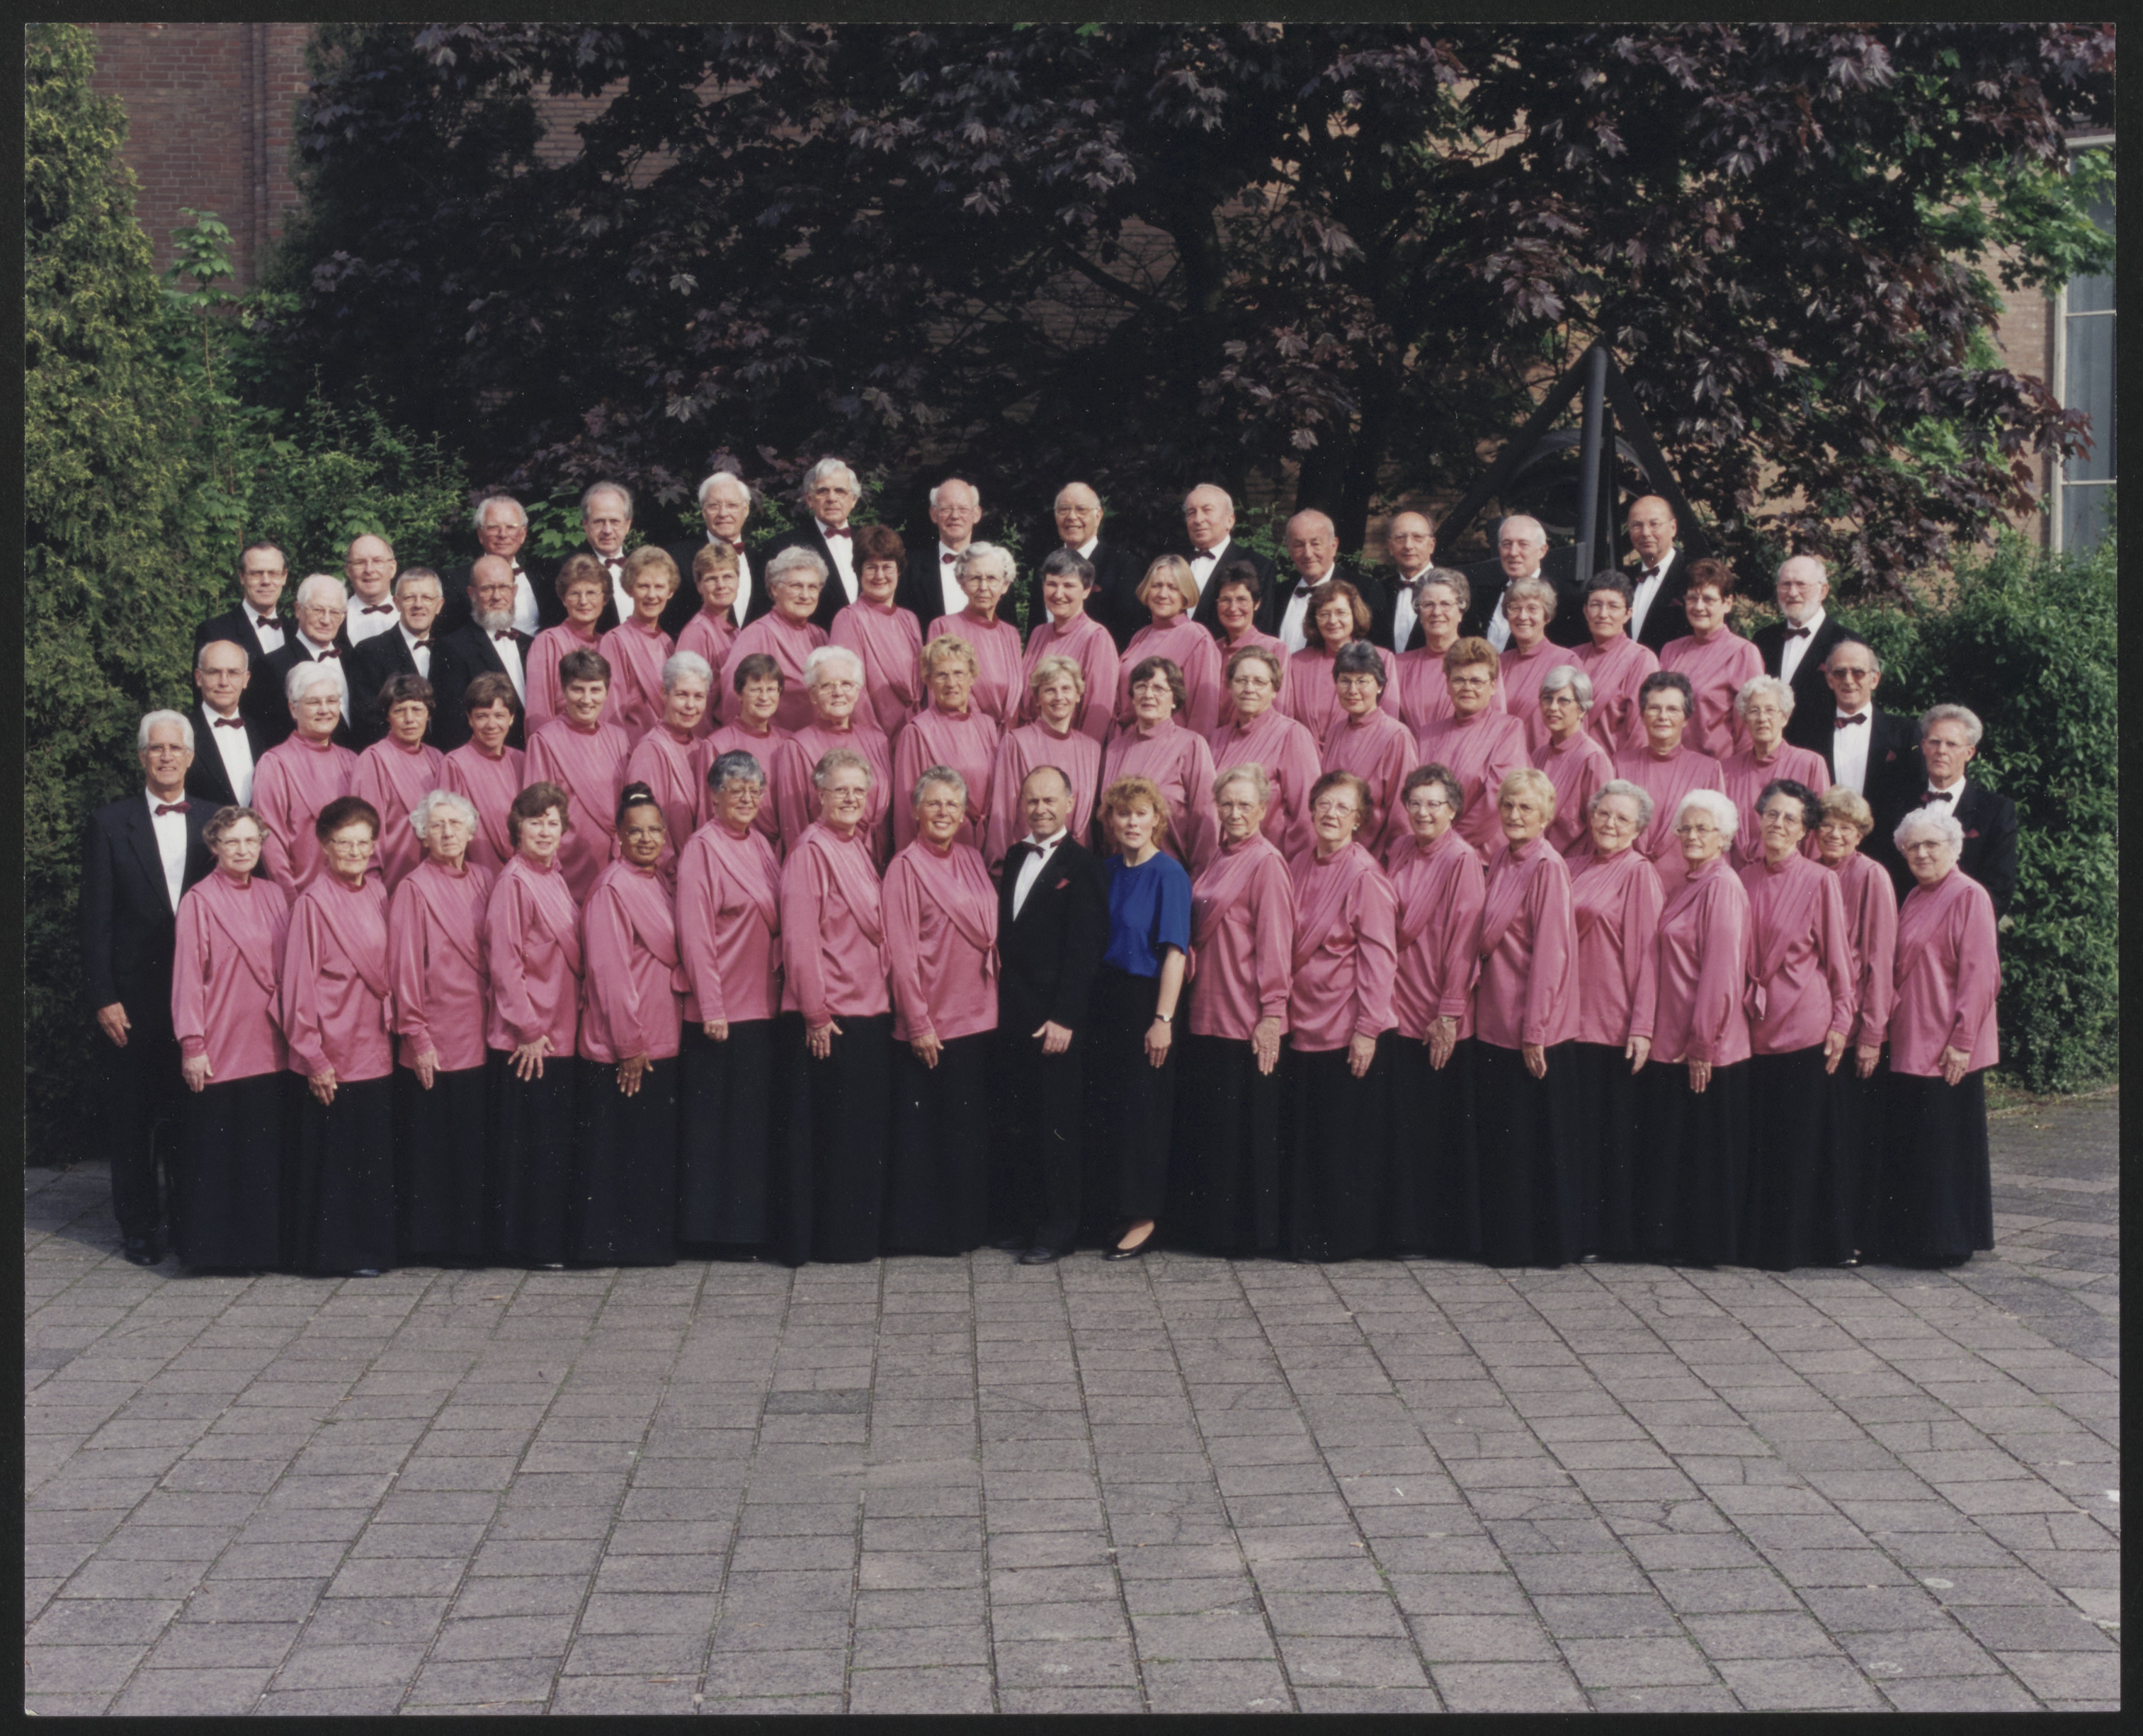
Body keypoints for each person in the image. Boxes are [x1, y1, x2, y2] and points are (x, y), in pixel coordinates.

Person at [84, 711, 215, 1264]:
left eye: (174, 748)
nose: (165, 756)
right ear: (141, 757)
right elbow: (94, 920)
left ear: (190, 756)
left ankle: (188, 1222)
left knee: (191, 1112)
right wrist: (103, 995)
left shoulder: (214, 819)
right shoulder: (110, 823)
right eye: (155, 748)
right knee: (134, 1116)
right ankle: (137, 1227)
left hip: (200, 996)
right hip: (133, 998)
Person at [773, 750, 894, 1266]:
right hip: (834, 1014)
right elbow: (800, 940)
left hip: (868, 1007)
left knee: (857, 1135)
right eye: (840, 789)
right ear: (818, 794)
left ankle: (855, 1238)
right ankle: (833, 1241)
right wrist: (816, 1014)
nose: (850, 798)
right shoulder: (810, 851)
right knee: (835, 1135)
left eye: (858, 790)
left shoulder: (857, 845)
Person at [1275, 769, 1399, 1261]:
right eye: (1324, 803)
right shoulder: (1297, 863)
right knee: (1310, 1137)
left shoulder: (1366, 876)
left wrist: (1367, 1029)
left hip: (1346, 1023)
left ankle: (1340, 1239)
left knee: (1341, 1141)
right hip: (1302, 1018)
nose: (1331, 814)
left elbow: (1379, 959)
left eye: (1343, 807)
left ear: (1359, 820)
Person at [1172, 766, 1295, 1256]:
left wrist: (1272, 1014)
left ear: (1264, 809)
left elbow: (1276, 944)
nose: (1235, 813)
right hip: (1206, 1007)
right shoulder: (1216, 857)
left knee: (1242, 1130)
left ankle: (1244, 1236)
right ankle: (1210, 1230)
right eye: (1227, 804)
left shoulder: (1267, 863)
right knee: (1214, 1129)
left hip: (1244, 1014)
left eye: (1245, 804)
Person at [882, 767, 1001, 1256]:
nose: (944, 812)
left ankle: (970, 1229)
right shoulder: (904, 867)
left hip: (982, 1015)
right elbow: (901, 953)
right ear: (915, 810)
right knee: (933, 1135)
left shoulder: (971, 857)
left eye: (953, 804)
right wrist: (917, 1022)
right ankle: (933, 1235)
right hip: (935, 1020)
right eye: (934, 803)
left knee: (969, 1133)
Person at [1739, 778, 1858, 1271]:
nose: (1779, 824)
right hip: (1752, 1026)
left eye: (1791, 818)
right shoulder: (1742, 877)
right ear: (1759, 818)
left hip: (1805, 1024)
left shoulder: (1819, 880)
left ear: (1805, 830)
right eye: (1772, 814)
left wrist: (1842, 1022)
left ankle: (1799, 1246)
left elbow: (1839, 959)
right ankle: (1760, 1243)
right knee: (1761, 1140)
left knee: (1801, 1141)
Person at [992, 766, 1110, 1262]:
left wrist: (1065, 1017)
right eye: (1032, 801)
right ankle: (1028, 1221)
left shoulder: (1084, 866)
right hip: (1014, 1014)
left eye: (1049, 800)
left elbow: (1085, 951)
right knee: (1021, 1119)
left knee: (1056, 1127)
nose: (1040, 809)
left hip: (1055, 1020)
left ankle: (1059, 1230)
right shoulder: (1015, 856)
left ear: (1070, 803)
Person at [1875, 808, 2000, 1267]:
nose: (1922, 853)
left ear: (1954, 848)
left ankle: (1945, 1242)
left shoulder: (1969, 895)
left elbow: (1981, 975)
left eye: (1932, 844)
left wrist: (1963, 1041)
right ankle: (1914, 1239)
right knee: (1918, 1143)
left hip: (1948, 1041)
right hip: (1912, 1036)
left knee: (1945, 1145)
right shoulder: (1913, 895)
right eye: (1913, 846)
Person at [170, 805, 290, 1271]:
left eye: (251, 840)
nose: (243, 849)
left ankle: (263, 1252)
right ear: (214, 847)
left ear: (262, 846)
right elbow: (187, 978)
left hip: (272, 1040)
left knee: (263, 1153)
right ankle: (213, 1254)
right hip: (221, 1043)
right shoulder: (199, 900)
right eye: (232, 841)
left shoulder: (276, 894)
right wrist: (192, 1045)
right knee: (219, 1155)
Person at [281, 795, 397, 1277]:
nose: (355, 852)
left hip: (374, 1041)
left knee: (370, 1154)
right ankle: (333, 1255)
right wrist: (313, 1055)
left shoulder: (378, 891)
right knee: (335, 1158)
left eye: (363, 843)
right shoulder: (312, 902)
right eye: (344, 843)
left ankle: (371, 1251)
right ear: (325, 846)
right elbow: (298, 985)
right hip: (332, 1043)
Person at [1639, 788, 1753, 1267]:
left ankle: (1705, 1246)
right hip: (1674, 1037)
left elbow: (1722, 971)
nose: (1691, 835)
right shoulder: (1689, 882)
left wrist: (1704, 1040)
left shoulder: (1722, 886)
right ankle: (1678, 1242)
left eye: (1703, 828)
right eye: (1685, 827)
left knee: (1704, 1149)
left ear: (1724, 837)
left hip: (1707, 1044)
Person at [675, 751, 784, 1253]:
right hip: (721, 1010)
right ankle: (708, 1233)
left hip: (761, 1003)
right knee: (713, 1126)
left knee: (749, 1124)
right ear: (714, 796)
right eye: (735, 788)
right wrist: (711, 1006)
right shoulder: (702, 848)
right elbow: (696, 934)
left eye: (754, 789)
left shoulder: (761, 843)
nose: (746, 797)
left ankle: (745, 1229)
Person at [1471, 768, 1581, 1265]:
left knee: (1533, 1140)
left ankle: (1537, 1246)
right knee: (1506, 1138)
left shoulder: (1547, 866)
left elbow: (1552, 954)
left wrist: (1535, 1029)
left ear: (1547, 816)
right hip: (1494, 1015)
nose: (1515, 815)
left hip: (1529, 1021)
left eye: (1527, 808)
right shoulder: (1501, 856)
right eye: (1509, 805)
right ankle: (1506, 1242)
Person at [574, 783, 683, 1267]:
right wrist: (629, 1044)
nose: (646, 839)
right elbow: (609, 972)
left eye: (655, 830)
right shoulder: (612, 887)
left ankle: (644, 1244)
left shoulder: (658, 881)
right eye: (635, 831)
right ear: (617, 836)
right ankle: (611, 1246)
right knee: (618, 1149)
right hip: (625, 1043)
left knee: (646, 1149)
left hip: (661, 1036)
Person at [1085, 776, 1193, 1261]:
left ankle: (1145, 1217)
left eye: (1141, 813)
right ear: (1110, 821)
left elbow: (1175, 953)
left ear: (1157, 820)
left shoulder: (1169, 874)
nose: (1132, 822)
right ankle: (1117, 1208)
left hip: (1147, 1000)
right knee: (1111, 1107)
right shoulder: (1105, 870)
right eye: (1123, 813)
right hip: (1105, 999)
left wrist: (1163, 1018)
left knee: (1143, 1110)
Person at [386, 789, 495, 1265]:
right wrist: (417, 1036)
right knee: (435, 1142)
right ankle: (433, 1243)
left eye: (456, 824)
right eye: (437, 825)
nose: (448, 832)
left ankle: (472, 1241)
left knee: (474, 1140)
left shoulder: (487, 879)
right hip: (437, 1032)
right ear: (422, 835)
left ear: (471, 831)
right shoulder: (413, 888)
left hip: (483, 1028)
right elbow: (404, 968)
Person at [1385, 764, 1487, 1259]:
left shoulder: (1462, 859)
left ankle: (1430, 1233)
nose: (1423, 812)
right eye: (1415, 803)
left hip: (1435, 1003)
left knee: (1432, 1124)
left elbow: (1465, 939)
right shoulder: (1400, 848)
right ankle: (1401, 1228)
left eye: (1434, 804)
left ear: (1453, 810)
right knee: (1402, 1124)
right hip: (1396, 999)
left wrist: (1449, 1013)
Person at [485, 781, 583, 1268]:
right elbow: (505, 965)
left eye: (553, 822)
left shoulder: (553, 876)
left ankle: (548, 1242)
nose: (545, 831)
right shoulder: (515, 881)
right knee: (532, 1148)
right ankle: (530, 1247)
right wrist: (527, 1029)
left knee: (550, 1146)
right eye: (535, 822)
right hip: (531, 1036)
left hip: (559, 1028)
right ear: (516, 828)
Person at [1565, 782, 1662, 1262]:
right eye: (1603, 813)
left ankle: (1605, 1237)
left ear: (1639, 828)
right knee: (1575, 1133)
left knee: (1607, 1134)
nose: (1610, 824)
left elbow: (1648, 958)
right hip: (1566, 1017)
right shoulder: (1570, 866)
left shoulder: (1640, 874)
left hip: (1611, 1022)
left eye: (1623, 818)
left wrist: (1642, 1026)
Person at [1814, 785, 1897, 1260]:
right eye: (1827, 824)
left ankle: (1853, 1238)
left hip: (1854, 1027)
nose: (1834, 834)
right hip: (1815, 1018)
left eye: (1845, 827)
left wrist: (1871, 1033)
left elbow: (1881, 960)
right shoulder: (1812, 871)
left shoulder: (1871, 876)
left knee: (1850, 1135)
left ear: (1860, 833)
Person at [1882, 703, 2018, 917]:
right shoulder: (1897, 801)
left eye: (1952, 744)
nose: (1941, 751)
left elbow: (1998, 888)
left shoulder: (1996, 810)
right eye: (1935, 742)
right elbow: (1885, 872)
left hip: (1962, 926)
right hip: (1901, 922)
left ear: (1969, 752)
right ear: (1924, 746)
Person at [525, 647, 633, 901]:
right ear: (563, 691)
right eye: (577, 689)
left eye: (595, 689)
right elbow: (538, 813)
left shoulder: (619, 738)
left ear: (607, 692)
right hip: (569, 864)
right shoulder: (545, 740)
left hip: (614, 862)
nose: (586, 699)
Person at [769, 645, 894, 861]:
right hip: (828, 860)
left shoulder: (878, 741)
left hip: (880, 857)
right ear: (812, 693)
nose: (838, 692)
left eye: (846, 684)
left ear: (858, 691)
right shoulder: (797, 747)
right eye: (827, 685)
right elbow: (795, 824)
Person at [1814, 633, 1920, 883]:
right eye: (1840, 673)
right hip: (1823, 858)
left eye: (1858, 672)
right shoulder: (1810, 733)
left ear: (1875, 679)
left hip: (1888, 863)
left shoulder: (1906, 733)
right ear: (1829, 679)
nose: (1848, 680)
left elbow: (1916, 797)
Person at [1098, 657, 1219, 875]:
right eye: (1141, 687)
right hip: (1118, 873)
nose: (1148, 694)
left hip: (1171, 873)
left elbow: (1205, 820)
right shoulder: (1115, 749)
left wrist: (1200, 879)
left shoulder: (1191, 745)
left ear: (1174, 699)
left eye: (1159, 688)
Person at [984, 657, 1102, 871]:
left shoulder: (1091, 749)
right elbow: (1003, 810)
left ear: (1078, 695)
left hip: (1076, 866)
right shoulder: (1017, 741)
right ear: (1037, 699)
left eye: (1066, 689)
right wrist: (998, 867)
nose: (1059, 697)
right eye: (1049, 690)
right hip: (1031, 862)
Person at [253, 661, 359, 897]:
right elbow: (271, 843)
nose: (325, 710)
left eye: (332, 701)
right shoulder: (275, 763)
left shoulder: (352, 761)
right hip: (303, 897)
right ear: (293, 709)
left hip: (353, 895)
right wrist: (291, 901)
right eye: (313, 702)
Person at [1414, 637, 1530, 856]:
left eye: (1477, 681)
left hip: (1483, 856)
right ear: (1447, 685)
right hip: (1429, 851)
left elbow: (1496, 799)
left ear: (1493, 686)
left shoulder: (1509, 729)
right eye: (1459, 680)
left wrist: (1447, 845)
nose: (1467, 688)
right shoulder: (1427, 734)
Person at [1613, 670, 1726, 890]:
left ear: (1686, 719)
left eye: (1673, 709)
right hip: (1627, 884)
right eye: (1654, 708)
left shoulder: (1708, 770)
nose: (1663, 716)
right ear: (1642, 716)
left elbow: (1717, 841)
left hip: (1685, 886)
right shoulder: (1620, 764)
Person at [1206, 645, 1320, 861]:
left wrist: (1294, 866)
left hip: (1268, 861)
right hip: (1220, 859)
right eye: (1241, 680)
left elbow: (1305, 816)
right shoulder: (1217, 738)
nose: (1249, 688)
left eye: (1259, 682)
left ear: (1274, 690)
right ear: (1229, 687)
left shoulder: (1292, 735)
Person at [892, 637, 1001, 853]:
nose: (951, 683)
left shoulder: (987, 725)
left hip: (988, 843)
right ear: (928, 681)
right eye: (942, 675)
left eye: (959, 673)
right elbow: (906, 809)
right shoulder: (916, 731)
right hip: (942, 846)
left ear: (971, 677)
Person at [1317, 641, 1415, 865]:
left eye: (1362, 681)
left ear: (1379, 686)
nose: (1353, 690)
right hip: (1334, 853)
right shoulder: (1335, 732)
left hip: (1376, 860)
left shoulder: (1396, 735)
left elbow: (1402, 813)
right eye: (1345, 681)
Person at [623, 652, 715, 882]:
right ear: (664, 693)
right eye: (682, 695)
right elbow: (644, 828)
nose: (690, 705)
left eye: (699, 696)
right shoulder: (650, 750)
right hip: (669, 878)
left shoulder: (701, 747)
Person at [348, 674, 444, 892]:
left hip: (435, 882)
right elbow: (366, 832)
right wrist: (372, 891)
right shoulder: (374, 759)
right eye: (400, 711)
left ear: (428, 713)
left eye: (417, 709)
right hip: (392, 883)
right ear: (388, 716)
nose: (410, 719)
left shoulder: (437, 758)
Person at [1658, 559, 1763, 759]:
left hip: (1718, 768)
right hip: (1670, 764)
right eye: (1692, 598)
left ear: (1727, 604)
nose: (1699, 607)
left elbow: (1749, 729)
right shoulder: (1671, 650)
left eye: (1708, 599)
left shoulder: (1742, 653)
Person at [1720, 676, 1829, 867]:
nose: (1762, 718)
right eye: (1754, 711)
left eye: (1770, 710)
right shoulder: (1725, 769)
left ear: (1784, 718)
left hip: (1790, 873)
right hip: (1735, 874)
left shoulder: (1810, 763)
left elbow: (1817, 832)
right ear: (1745, 720)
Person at [719, 547, 832, 732]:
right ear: (774, 588)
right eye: (796, 586)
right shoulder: (757, 634)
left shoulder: (820, 636)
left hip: (818, 741)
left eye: (812, 587)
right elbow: (734, 698)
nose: (805, 595)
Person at [829, 523, 925, 737]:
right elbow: (852, 691)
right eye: (871, 567)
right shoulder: (849, 618)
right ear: (859, 572)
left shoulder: (909, 619)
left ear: (899, 570)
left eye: (887, 567)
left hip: (914, 731)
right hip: (876, 735)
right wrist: (872, 738)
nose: (880, 575)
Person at [1279, 578, 1401, 743]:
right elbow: (1287, 721)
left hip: (1362, 751)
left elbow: (1388, 722)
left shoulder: (1383, 658)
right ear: (1315, 619)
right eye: (1324, 614)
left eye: (1341, 613)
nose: (1333, 621)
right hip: (1305, 753)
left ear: (1355, 615)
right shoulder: (1297, 663)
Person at [1018, 548, 1120, 742]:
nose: (1059, 594)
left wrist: (1083, 753)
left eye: (1069, 585)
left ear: (1086, 590)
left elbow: (1098, 714)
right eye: (1052, 584)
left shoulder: (1096, 638)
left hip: (1068, 746)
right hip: (1029, 741)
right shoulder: (1038, 633)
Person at [1118, 555, 1227, 737]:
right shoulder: (1141, 636)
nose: (1162, 594)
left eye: (1172, 588)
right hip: (1126, 741)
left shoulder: (1198, 638)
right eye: (1157, 585)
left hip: (1168, 744)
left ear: (1185, 594)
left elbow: (1203, 713)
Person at [1750, 555, 1848, 751]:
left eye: (1801, 584)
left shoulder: (1845, 642)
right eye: (1786, 585)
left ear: (1823, 591)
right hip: (1767, 755)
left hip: (1822, 756)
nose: (1793, 593)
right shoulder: (1763, 640)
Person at [437, 556, 535, 749]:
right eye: (487, 588)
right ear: (471, 593)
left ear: (514, 591)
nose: (497, 596)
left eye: (504, 587)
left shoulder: (530, 644)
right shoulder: (453, 648)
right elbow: (452, 728)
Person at [345, 567, 448, 747]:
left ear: (439, 605)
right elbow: (368, 722)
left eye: (427, 598)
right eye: (409, 598)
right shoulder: (369, 652)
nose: (418, 604)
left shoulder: (449, 650)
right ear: (397, 603)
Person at [696, 652, 789, 851]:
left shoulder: (789, 742)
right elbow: (708, 811)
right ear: (739, 693)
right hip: (737, 848)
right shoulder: (717, 745)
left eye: (771, 689)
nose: (764, 697)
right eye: (756, 690)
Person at [758, 458, 863, 630]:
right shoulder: (782, 546)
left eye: (840, 491)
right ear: (809, 499)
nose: (832, 498)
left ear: (853, 500)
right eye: (823, 491)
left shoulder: (870, 541)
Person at [1392, 569, 1501, 734]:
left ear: (1460, 612)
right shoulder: (1398, 666)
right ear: (1419, 614)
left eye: (1446, 604)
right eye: (1428, 604)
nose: (1437, 612)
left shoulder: (1483, 661)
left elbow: (1497, 724)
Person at [928, 543, 1025, 725]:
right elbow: (939, 696)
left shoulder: (1011, 634)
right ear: (962, 583)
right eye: (975, 578)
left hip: (1009, 736)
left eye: (992, 578)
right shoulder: (944, 627)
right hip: (965, 732)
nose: (983, 587)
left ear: (1005, 585)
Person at [440, 674, 525, 874]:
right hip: (476, 872)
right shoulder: (454, 764)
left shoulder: (521, 760)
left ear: (512, 718)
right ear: (470, 719)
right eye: (482, 716)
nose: (491, 725)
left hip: (520, 870)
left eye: (499, 715)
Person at [1045, 481, 1145, 649]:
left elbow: (1130, 634)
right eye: (1064, 509)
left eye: (1081, 509)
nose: (1072, 516)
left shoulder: (1124, 566)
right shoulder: (1045, 566)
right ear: (1056, 516)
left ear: (1098, 516)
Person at [440, 493, 557, 637]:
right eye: (493, 527)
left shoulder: (543, 581)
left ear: (523, 534)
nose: (503, 534)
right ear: (480, 534)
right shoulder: (455, 581)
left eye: (511, 527)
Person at [259, 574, 356, 747]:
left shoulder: (354, 658)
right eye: (317, 610)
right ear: (298, 610)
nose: (326, 620)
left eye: (334, 612)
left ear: (343, 617)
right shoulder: (272, 666)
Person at [1571, 571, 1661, 754]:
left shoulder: (1640, 659)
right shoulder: (1572, 657)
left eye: (1613, 607)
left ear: (1628, 614)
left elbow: (1640, 731)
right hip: (1570, 761)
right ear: (1586, 611)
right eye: (1596, 605)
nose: (1603, 614)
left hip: (1615, 765)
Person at [598, 546, 681, 741]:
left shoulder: (667, 642)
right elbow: (611, 714)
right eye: (643, 586)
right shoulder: (615, 640)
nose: (652, 595)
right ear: (629, 589)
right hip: (633, 747)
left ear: (670, 592)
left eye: (659, 587)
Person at [662, 470, 757, 637]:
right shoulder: (676, 558)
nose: (723, 514)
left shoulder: (759, 559)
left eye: (732, 505)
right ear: (704, 511)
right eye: (714, 506)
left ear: (746, 509)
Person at [1533, 666, 1615, 856]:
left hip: (1574, 864)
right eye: (1547, 699)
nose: (1553, 707)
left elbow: (1600, 827)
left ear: (1582, 709)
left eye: (1563, 701)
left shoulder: (1593, 758)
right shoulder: (1538, 756)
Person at [1176, 482, 1278, 636]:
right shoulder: (1173, 562)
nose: (1198, 519)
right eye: (1192, 513)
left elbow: (1260, 629)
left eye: (1207, 510)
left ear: (1230, 521)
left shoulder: (1259, 566)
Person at [525, 554, 610, 734]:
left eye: (591, 593)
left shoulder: (609, 644)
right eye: (574, 594)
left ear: (605, 599)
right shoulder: (548, 642)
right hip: (561, 743)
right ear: (564, 599)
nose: (583, 601)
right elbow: (538, 714)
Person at [186, 639, 270, 812]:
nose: (224, 682)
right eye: (214, 672)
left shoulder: (266, 734)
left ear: (246, 679)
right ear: (199, 678)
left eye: (233, 673)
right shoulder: (182, 732)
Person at [1496, 577, 1579, 751]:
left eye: (1532, 609)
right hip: (1500, 760)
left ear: (1546, 616)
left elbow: (1574, 729)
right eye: (1515, 608)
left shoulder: (1566, 661)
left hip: (1544, 761)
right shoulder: (1498, 663)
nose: (1522, 616)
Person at [1209, 562, 1291, 727]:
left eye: (1242, 600)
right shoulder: (1212, 649)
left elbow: (1279, 710)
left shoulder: (1273, 649)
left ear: (1257, 603)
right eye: (1225, 600)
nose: (1233, 608)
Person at [902, 475, 985, 630]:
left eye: (963, 509)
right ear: (934, 514)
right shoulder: (910, 569)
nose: (955, 516)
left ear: (976, 514)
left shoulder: (995, 568)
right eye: (946, 509)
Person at [195, 538, 290, 674]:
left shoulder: (297, 631)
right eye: (256, 573)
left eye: (273, 573)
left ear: (284, 577)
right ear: (241, 577)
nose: (266, 581)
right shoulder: (214, 631)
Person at [1621, 494, 1691, 653]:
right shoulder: (1623, 579)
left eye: (1654, 524)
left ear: (1673, 528)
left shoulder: (1694, 575)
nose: (1645, 533)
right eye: (1637, 525)